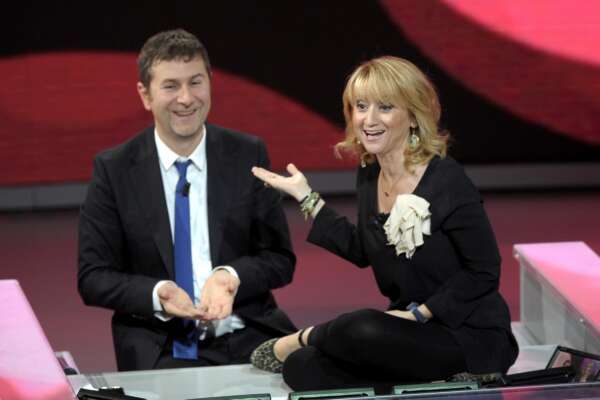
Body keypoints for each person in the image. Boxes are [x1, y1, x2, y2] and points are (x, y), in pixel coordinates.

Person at [250, 56, 519, 390]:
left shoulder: (446, 179)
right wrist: (306, 196)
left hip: (465, 331)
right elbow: (364, 249)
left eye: (386, 107)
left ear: (413, 116)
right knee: (301, 368)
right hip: (404, 330)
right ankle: (433, 381)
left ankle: (304, 336)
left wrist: (422, 313)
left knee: (360, 327)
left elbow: (484, 270)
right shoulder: (370, 173)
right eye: (361, 107)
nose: (369, 119)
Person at [78, 29, 296, 371]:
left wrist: (231, 276)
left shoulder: (247, 154)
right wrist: (158, 293)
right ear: (145, 95)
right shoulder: (114, 169)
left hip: (248, 333)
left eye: (196, 82)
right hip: (162, 346)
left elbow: (279, 259)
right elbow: (93, 277)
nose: (186, 98)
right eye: (170, 86)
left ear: (210, 83)